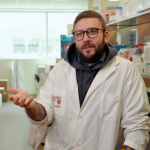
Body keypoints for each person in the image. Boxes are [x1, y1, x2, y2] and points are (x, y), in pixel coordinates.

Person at [7, 10, 150, 150]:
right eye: (79, 34)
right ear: (74, 38)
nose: (85, 38)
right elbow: (45, 113)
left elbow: (137, 124)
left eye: (92, 31)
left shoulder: (126, 70)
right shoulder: (58, 70)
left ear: (105, 35)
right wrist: (32, 107)